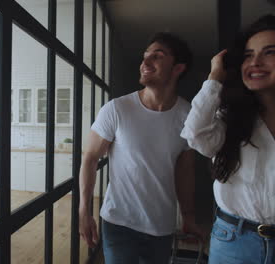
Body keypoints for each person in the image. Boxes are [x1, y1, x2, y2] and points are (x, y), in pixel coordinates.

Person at [79, 32, 203, 264]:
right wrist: (84, 211)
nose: (145, 63)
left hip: (162, 226)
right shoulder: (116, 109)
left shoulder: (189, 116)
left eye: (157, 56)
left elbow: (185, 171)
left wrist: (188, 216)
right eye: (145, 56)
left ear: (178, 68)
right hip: (119, 223)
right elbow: (90, 158)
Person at [181, 14, 275, 263]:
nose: (255, 62)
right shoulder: (229, 119)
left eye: (270, 52)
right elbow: (195, 135)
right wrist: (214, 77)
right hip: (233, 242)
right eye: (247, 55)